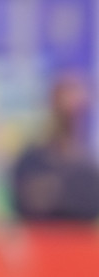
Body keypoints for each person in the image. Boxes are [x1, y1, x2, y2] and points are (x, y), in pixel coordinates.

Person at [11, 72, 99, 223]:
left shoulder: (88, 169)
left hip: (78, 244)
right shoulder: (29, 162)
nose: (68, 112)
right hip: (38, 243)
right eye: (61, 105)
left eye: (74, 109)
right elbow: (20, 208)